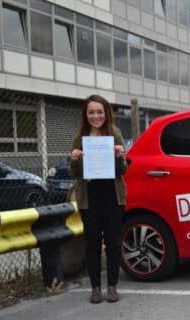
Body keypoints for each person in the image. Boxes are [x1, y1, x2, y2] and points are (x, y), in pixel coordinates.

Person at [69, 94, 127, 304]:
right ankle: (95, 288)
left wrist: (121, 156)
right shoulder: (80, 138)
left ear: (106, 113)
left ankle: (112, 286)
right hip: (89, 198)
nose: (96, 116)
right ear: (86, 114)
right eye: (91, 112)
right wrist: (74, 160)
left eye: (99, 112)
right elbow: (73, 173)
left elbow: (123, 171)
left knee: (113, 242)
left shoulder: (115, 134)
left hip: (112, 197)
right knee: (92, 243)